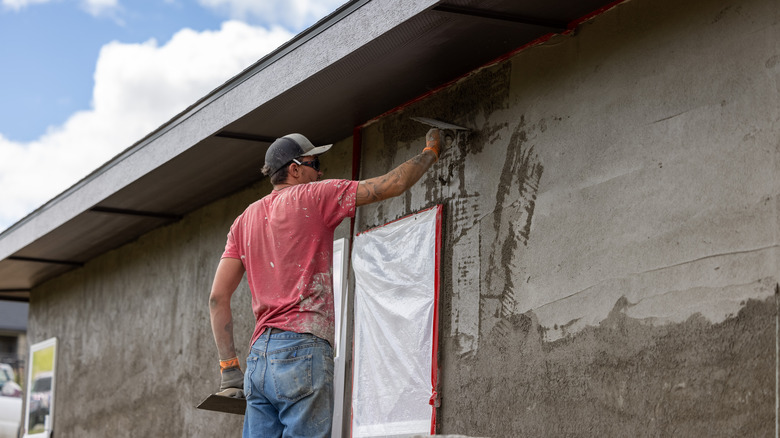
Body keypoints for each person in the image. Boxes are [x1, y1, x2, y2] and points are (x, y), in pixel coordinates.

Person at [208, 128, 443, 438]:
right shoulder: (316, 196)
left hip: (259, 360)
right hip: (302, 349)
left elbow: (217, 298)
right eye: (314, 164)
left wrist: (229, 369)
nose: (321, 172)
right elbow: (394, 183)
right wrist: (431, 151)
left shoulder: (244, 220)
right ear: (294, 169)